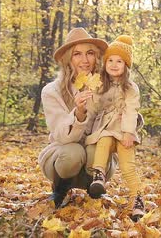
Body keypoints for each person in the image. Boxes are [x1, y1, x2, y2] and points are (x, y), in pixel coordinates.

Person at [37, 28, 115, 209]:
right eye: (77, 54)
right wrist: (79, 113)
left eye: (90, 53)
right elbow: (62, 136)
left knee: (96, 150)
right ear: (68, 60)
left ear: (97, 57)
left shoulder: (108, 86)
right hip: (63, 158)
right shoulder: (52, 91)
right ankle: (60, 189)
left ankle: (94, 189)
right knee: (73, 153)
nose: (85, 60)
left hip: (95, 159)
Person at [82, 35, 146, 221]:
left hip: (124, 131)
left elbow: (131, 109)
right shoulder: (100, 84)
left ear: (126, 65)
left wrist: (128, 132)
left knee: (128, 167)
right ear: (105, 63)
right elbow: (94, 109)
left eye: (119, 61)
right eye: (110, 60)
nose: (114, 64)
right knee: (103, 140)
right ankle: (99, 175)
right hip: (105, 129)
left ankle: (137, 201)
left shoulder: (130, 88)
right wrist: (89, 98)